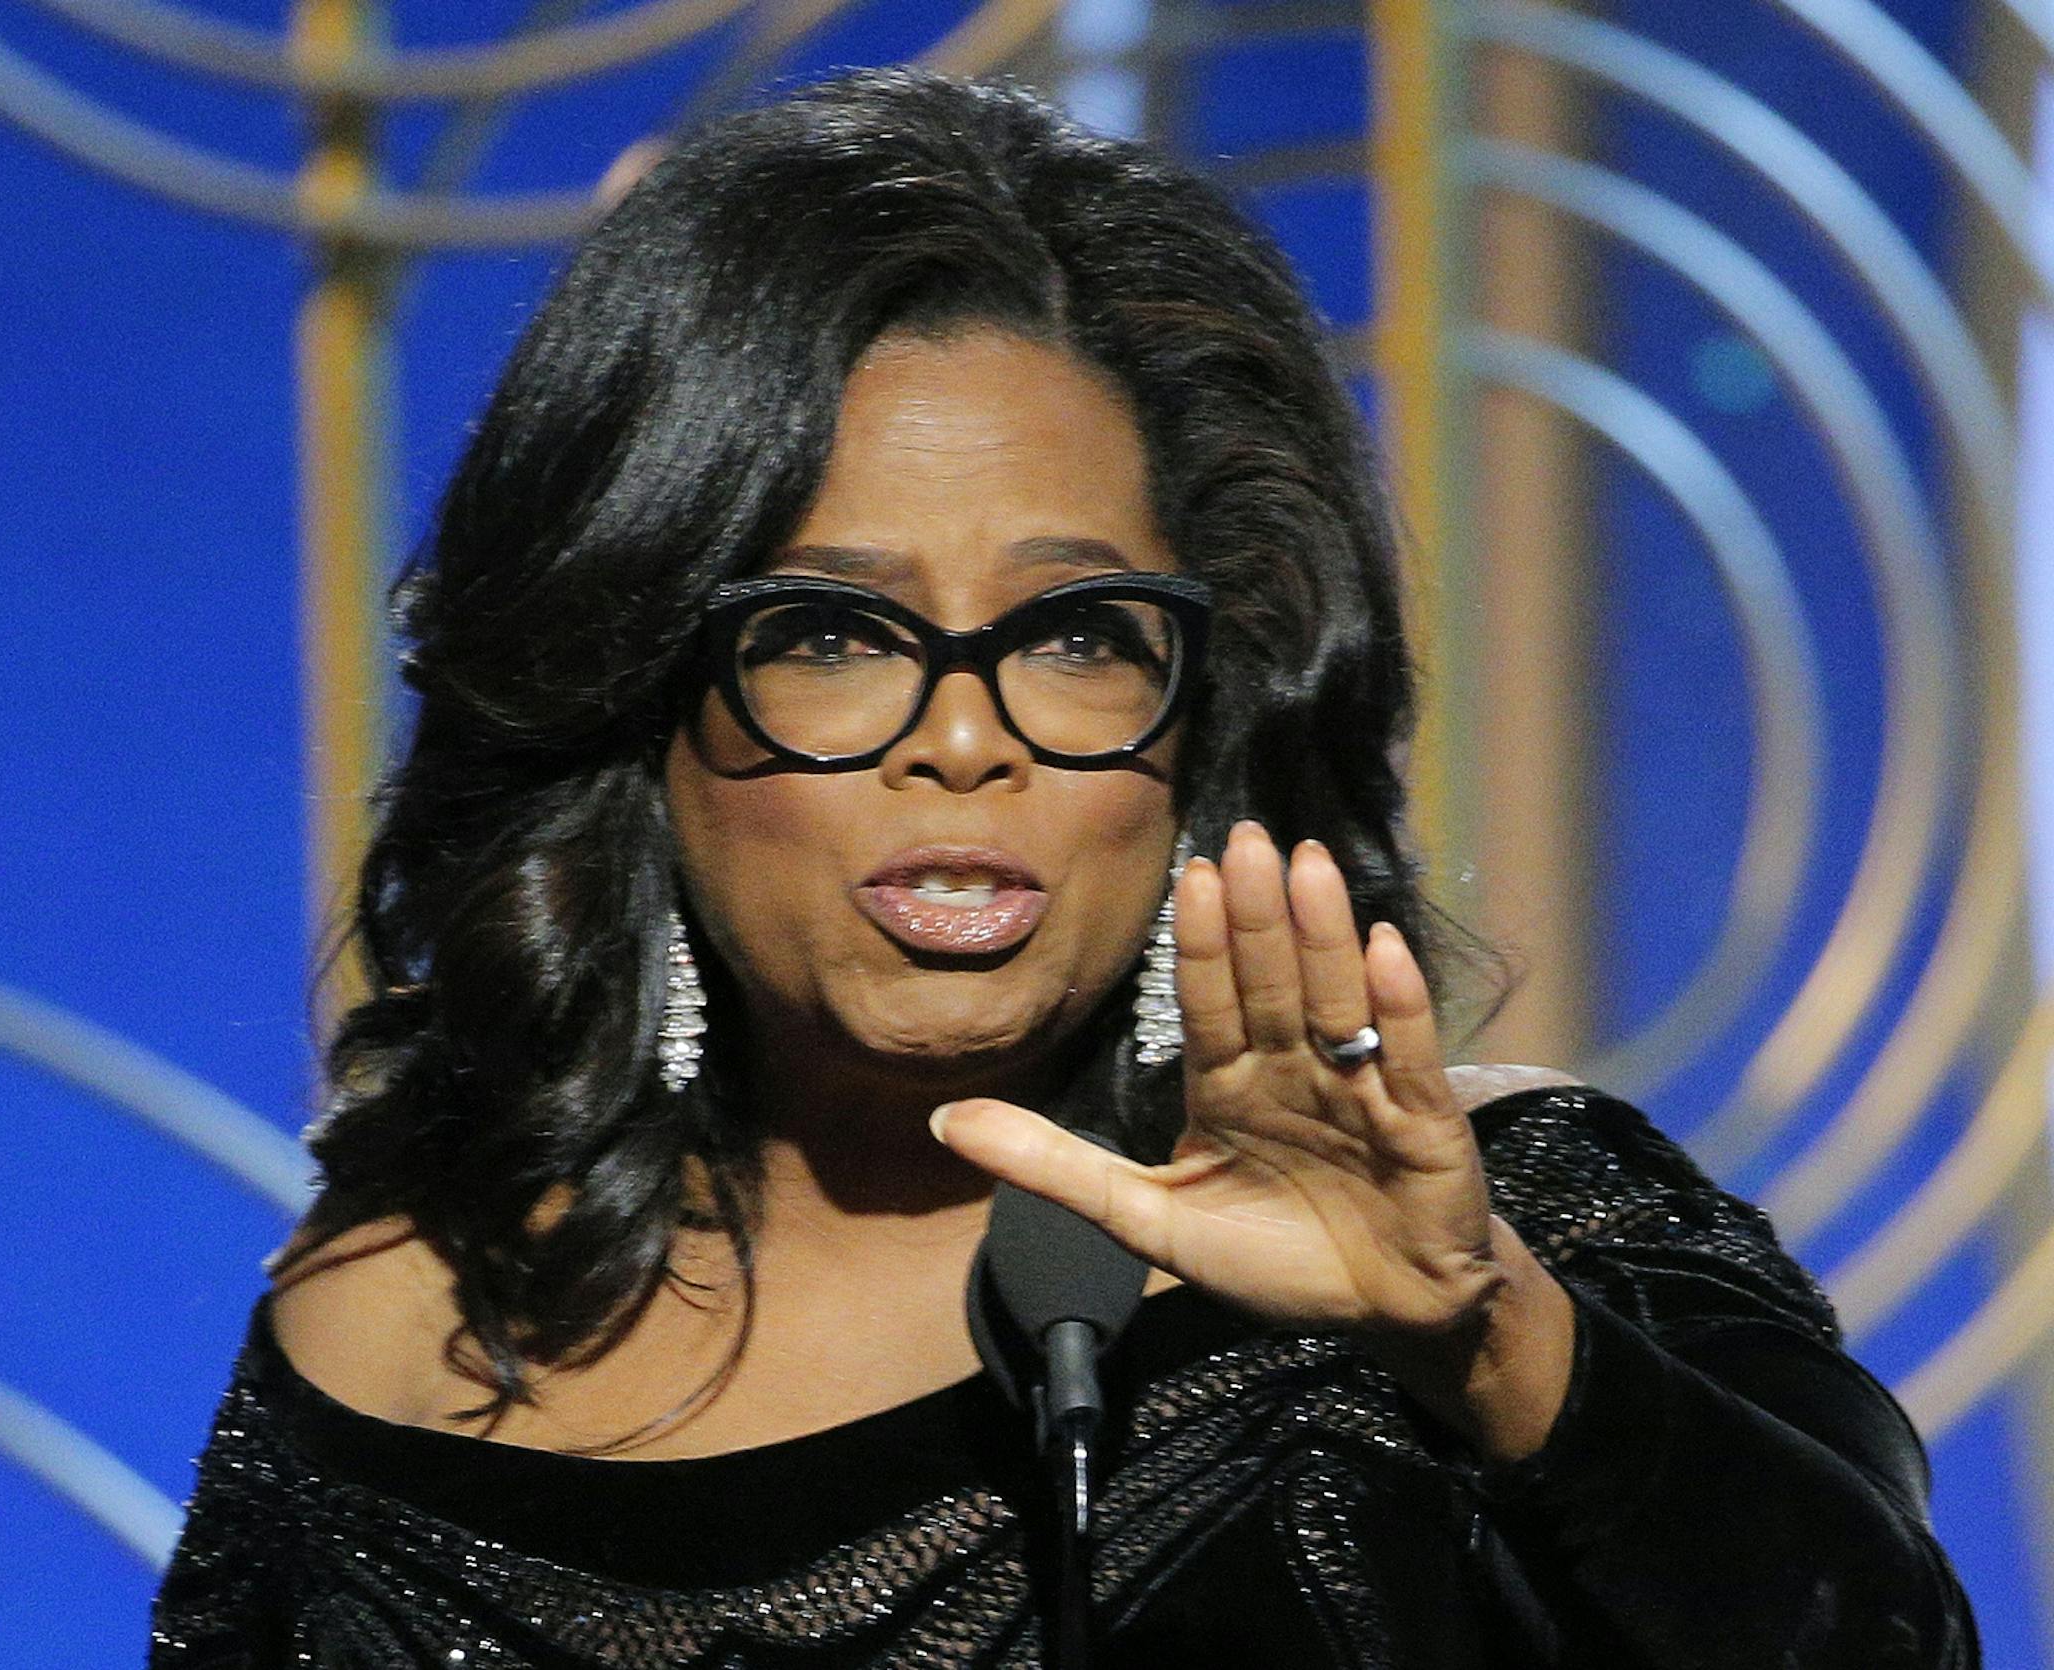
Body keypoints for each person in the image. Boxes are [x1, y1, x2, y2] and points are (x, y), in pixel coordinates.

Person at [149, 66, 1978, 1668]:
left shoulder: (1506, 1229)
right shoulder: (396, 1321)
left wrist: (1484, 1333)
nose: (969, 737)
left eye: (1079, 634)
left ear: (1203, 720)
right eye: (837, 633)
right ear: (635, 702)